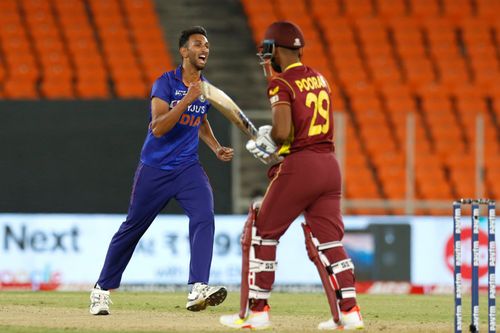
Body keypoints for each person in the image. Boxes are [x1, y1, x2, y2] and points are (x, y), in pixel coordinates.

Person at [219, 21, 364, 330]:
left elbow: (285, 130)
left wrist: (273, 141)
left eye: (266, 51)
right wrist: (281, 145)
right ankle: (350, 312)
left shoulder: (280, 83)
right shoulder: (320, 78)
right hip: (329, 166)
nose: (265, 58)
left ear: (274, 50)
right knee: (329, 242)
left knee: (261, 231)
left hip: (302, 166)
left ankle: (257, 312)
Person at [89, 26, 233, 315]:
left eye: (206, 45)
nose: (204, 49)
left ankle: (197, 288)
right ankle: (101, 290)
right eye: (197, 44)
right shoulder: (165, 84)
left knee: (204, 216)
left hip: (188, 168)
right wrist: (187, 99)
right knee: (133, 229)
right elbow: (158, 127)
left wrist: (216, 147)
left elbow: (200, 119)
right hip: (155, 169)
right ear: (183, 51)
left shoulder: (203, 88)